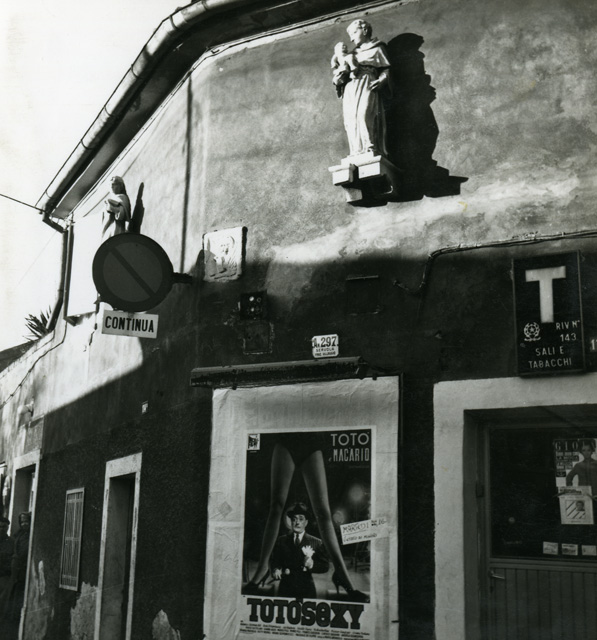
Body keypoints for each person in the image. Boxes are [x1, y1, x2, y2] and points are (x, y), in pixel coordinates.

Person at [243, 433, 369, 602]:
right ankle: (262, 568)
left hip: (312, 441)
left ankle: (342, 575)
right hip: (287, 439)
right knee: (276, 506)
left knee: (323, 512)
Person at [332, 19, 391, 158]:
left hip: (367, 83)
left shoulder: (377, 49)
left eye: (354, 33)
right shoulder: (351, 54)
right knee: (351, 118)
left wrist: (382, 80)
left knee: (364, 114)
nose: (351, 39)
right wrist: (339, 79)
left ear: (364, 31)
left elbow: (386, 69)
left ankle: (370, 147)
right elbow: (340, 73)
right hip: (350, 87)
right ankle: (357, 151)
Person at [269, 502, 329, 599]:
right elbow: (275, 561)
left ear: (306, 522)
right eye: (294, 519)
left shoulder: (316, 542)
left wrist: (312, 565)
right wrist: (276, 569)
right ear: (291, 522)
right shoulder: (281, 540)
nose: (297, 522)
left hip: (306, 590)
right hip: (285, 589)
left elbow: (325, 566)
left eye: (301, 519)